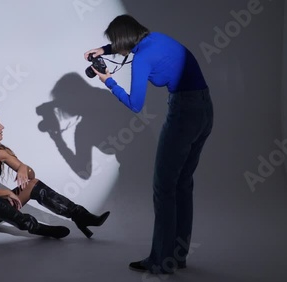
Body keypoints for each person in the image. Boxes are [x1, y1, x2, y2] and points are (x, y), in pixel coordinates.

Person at [84, 14, 213, 274]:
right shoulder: (157, 39)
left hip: (183, 114)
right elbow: (130, 46)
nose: (114, 49)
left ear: (124, 40)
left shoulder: (141, 58)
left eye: (114, 43)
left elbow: (135, 103)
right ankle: (177, 256)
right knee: (182, 185)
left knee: (164, 188)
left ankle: (160, 261)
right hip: (205, 109)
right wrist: (105, 50)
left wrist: (108, 81)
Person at [0, 108, 110, 239]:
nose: (2, 126)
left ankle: (80, 216)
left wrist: (22, 167)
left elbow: (31, 175)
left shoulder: (0, 152)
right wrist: (6, 192)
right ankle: (36, 228)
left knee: (32, 184)